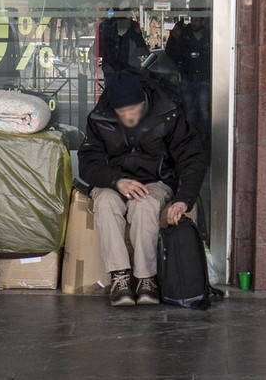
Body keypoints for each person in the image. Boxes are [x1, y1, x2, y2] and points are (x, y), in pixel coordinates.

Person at [78, 70, 208, 307]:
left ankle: (145, 278)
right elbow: (88, 163)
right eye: (122, 112)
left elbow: (192, 157)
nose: (128, 116)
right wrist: (116, 180)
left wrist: (184, 199)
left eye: (134, 110)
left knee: (144, 204)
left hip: (156, 181)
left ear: (144, 101)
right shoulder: (99, 118)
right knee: (105, 202)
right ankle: (120, 277)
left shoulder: (167, 113)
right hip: (113, 182)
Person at [164, 0, 212, 136]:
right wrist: (174, 38)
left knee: (204, 112)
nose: (194, 22)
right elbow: (171, 53)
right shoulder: (183, 34)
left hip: (204, 78)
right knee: (189, 112)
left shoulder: (210, 35)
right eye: (192, 18)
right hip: (188, 78)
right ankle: (191, 141)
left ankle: (204, 141)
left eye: (197, 19)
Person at [98, 0, 150, 78]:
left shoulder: (105, 25)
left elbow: (99, 50)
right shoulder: (106, 26)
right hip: (123, 70)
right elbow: (142, 49)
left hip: (121, 70)